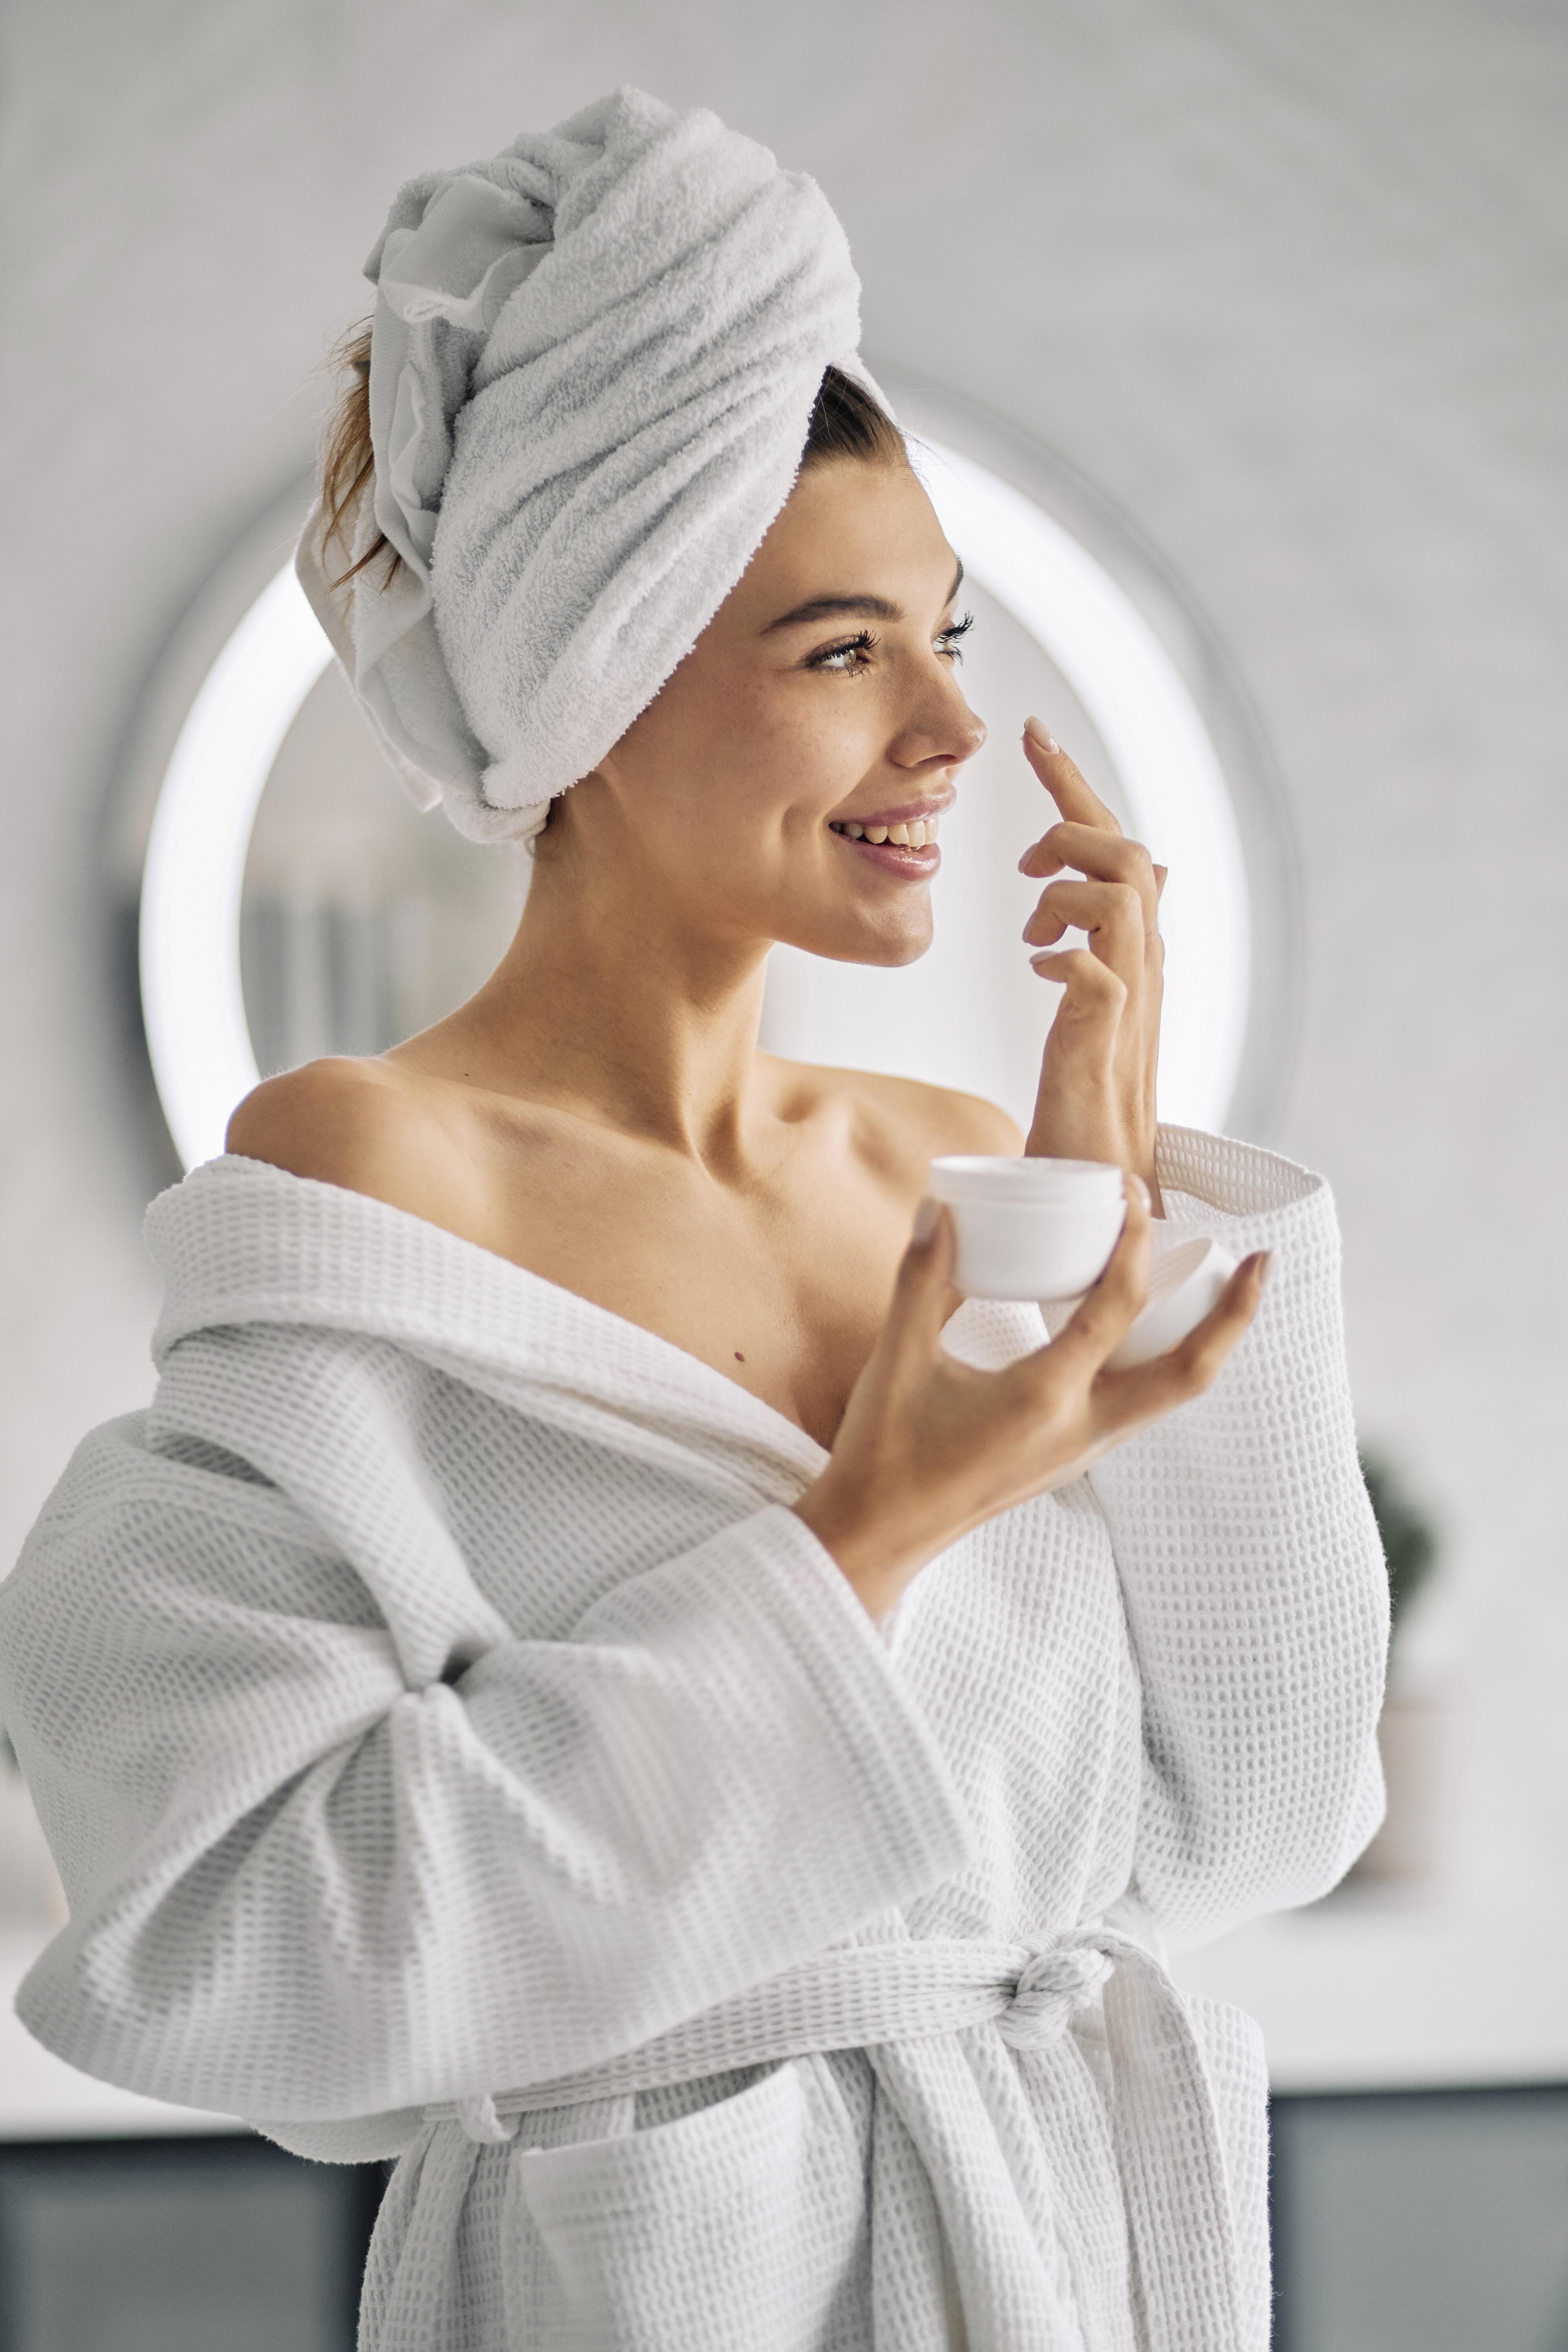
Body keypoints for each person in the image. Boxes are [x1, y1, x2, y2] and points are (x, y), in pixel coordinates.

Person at [0, 88, 1388, 2352]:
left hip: (1076, 2247)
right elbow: (232, 1953)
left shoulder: (960, 1174)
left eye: (945, 634)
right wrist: (850, 1551)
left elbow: (1252, 1812)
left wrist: (1113, 1175)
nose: (953, 721)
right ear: (597, 671)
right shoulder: (377, 1187)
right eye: (843, 651)